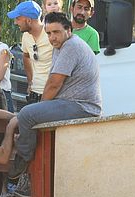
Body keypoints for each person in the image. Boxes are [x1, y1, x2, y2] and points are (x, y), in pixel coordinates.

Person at [8, 11, 101, 182]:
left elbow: (54, 84)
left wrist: (41, 107)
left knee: (27, 114)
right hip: (70, 102)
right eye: (49, 33)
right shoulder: (62, 46)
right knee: (29, 113)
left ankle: (23, 159)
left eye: (56, 32)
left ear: (68, 30)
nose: (52, 37)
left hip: (82, 106)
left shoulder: (71, 47)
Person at [9, 1, 52, 105]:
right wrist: (30, 81)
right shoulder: (26, 36)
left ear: (28, 20)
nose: (15, 22)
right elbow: (26, 56)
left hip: (51, 94)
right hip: (34, 92)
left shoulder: (51, 34)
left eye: (18, 18)